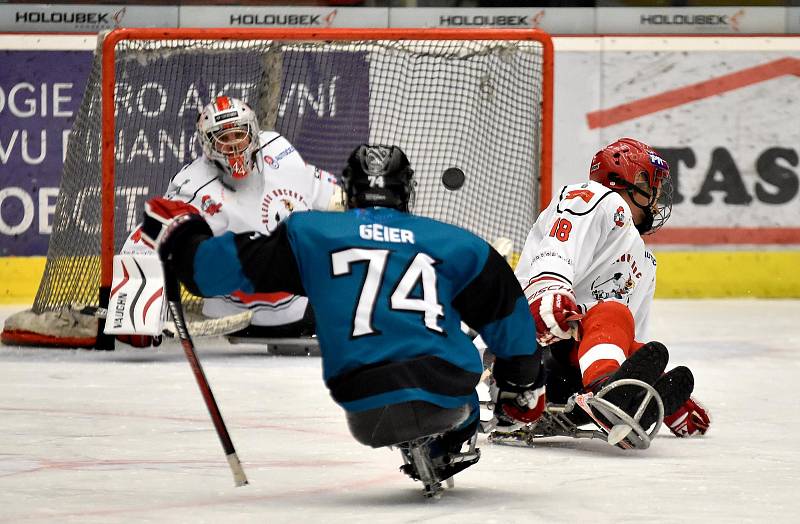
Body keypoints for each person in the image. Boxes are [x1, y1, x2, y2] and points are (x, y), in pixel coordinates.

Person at [138, 144, 547, 494]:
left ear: (349, 191)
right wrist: (521, 384)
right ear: (407, 191)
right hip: (445, 390)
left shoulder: (311, 232)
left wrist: (181, 234)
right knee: (465, 388)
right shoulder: (457, 242)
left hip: (362, 404)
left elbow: (209, 273)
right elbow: (510, 321)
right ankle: (449, 442)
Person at [515, 137, 710, 438]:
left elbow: (625, 338)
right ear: (634, 179)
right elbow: (557, 248)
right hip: (529, 347)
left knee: (642, 348)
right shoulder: (594, 198)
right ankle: (608, 392)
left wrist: (661, 395)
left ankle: (636, 399)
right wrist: (549, 290)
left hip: (568, 376)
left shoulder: (645, 261)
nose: (657, 200)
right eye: (653, 186)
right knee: (612, 313)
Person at [117, 95, 342, 348]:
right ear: (207, 144)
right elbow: (152, 231)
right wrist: (133, 309)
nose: (234, 147)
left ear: (254, 133)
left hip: (305, 307)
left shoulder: (278, 149)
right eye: (224, 139)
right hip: (237, 315)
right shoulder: (192, 185)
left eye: (239, 135)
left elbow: (319, 187)